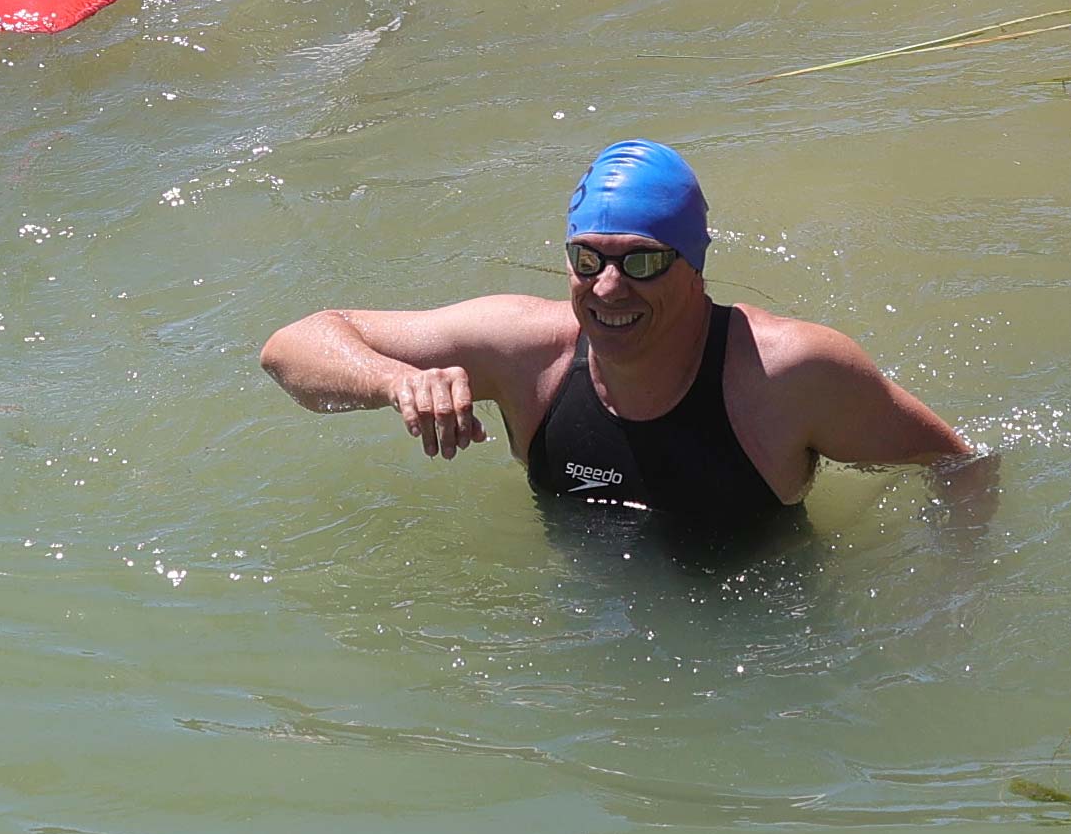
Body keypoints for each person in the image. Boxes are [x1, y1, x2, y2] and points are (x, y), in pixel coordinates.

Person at [256, 141, 982, 540]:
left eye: (640, 261)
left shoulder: (788, 374)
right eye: (588, 260)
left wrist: (942, 606)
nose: (607, 289)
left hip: (762, 654)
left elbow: (961, 471)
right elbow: (293, 346)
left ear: (692, 267)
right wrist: (393, 382)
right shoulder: (523, 349)